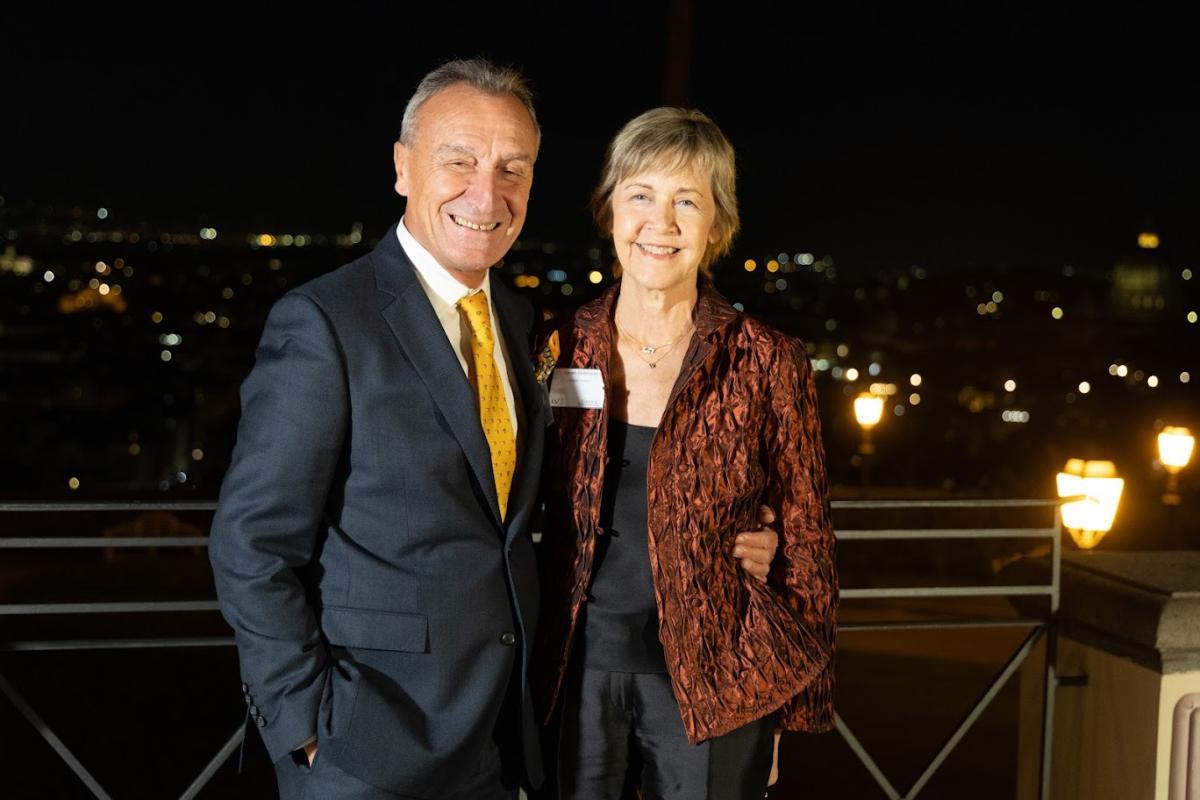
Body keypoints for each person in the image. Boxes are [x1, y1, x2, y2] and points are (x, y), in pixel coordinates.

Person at [208, 60, 779, 800]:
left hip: (502, 741)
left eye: (513, 168)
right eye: (459, 161)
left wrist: (739, 530)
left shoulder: (521, 323)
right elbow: (252, 544)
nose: (487, 193)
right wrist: (306, 729)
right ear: (402, 167)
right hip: (367, 748)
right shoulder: (326, 322)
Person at [534, 107, 838, 799]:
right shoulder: (555, 347)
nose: (661, 223)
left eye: (687, 202)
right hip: (572, 673)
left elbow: (809, 541)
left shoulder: (767, 360)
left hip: (722, 680)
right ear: (611, 209)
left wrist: (788, 711)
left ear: (717, 224)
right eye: (641, 195)